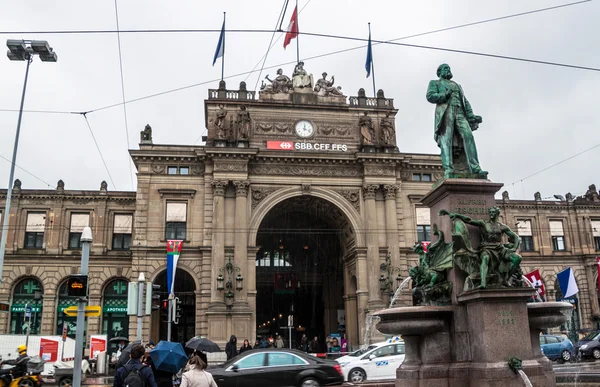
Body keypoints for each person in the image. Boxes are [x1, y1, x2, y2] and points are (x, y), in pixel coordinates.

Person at [426, 63, 486, 178]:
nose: (448, 70)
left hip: (460, 113)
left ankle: (475, 168)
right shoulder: (435, 83)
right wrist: (444, 95)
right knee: (446, 140)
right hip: (446, 112)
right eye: (445, 68)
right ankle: (449, 169)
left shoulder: (457, 85)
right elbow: (430, 96)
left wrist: (471, 115)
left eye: (449, 68)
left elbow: (465, 102)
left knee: (468, 136)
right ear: (440, 72)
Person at [439, 207, 522, 288]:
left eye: (493, 212)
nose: (491, 214)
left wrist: (514, 248)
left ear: (497, 214)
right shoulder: (484, 223)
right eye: (490, 212)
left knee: (517, 258)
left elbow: (516, 237)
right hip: (487, 248)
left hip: (500, 249)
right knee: (485, 258)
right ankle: (483, 283)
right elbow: (469, 220)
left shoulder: (502, 226)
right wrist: (457, 215)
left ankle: (505, 280)